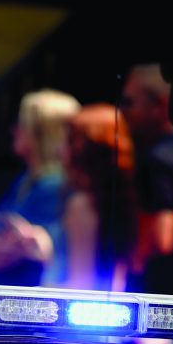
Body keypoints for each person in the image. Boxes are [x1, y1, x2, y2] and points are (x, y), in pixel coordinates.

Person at [0, 90, 79, 287]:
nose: (15, 130)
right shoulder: (27, 181)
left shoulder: (54, 186)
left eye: (22, 124)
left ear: (42, 134)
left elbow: (11, 250)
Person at [61, 103, 138, 292]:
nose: (60, 150)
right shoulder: (123, 202)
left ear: (83, 150)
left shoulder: (82, 205)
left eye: (69, 140)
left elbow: (80, 283)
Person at [120, 64, 173, 291]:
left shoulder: (159, 159)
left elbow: (163, 238)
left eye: (129, 102)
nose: (122, 112)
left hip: (160, 287)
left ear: (160, 105)